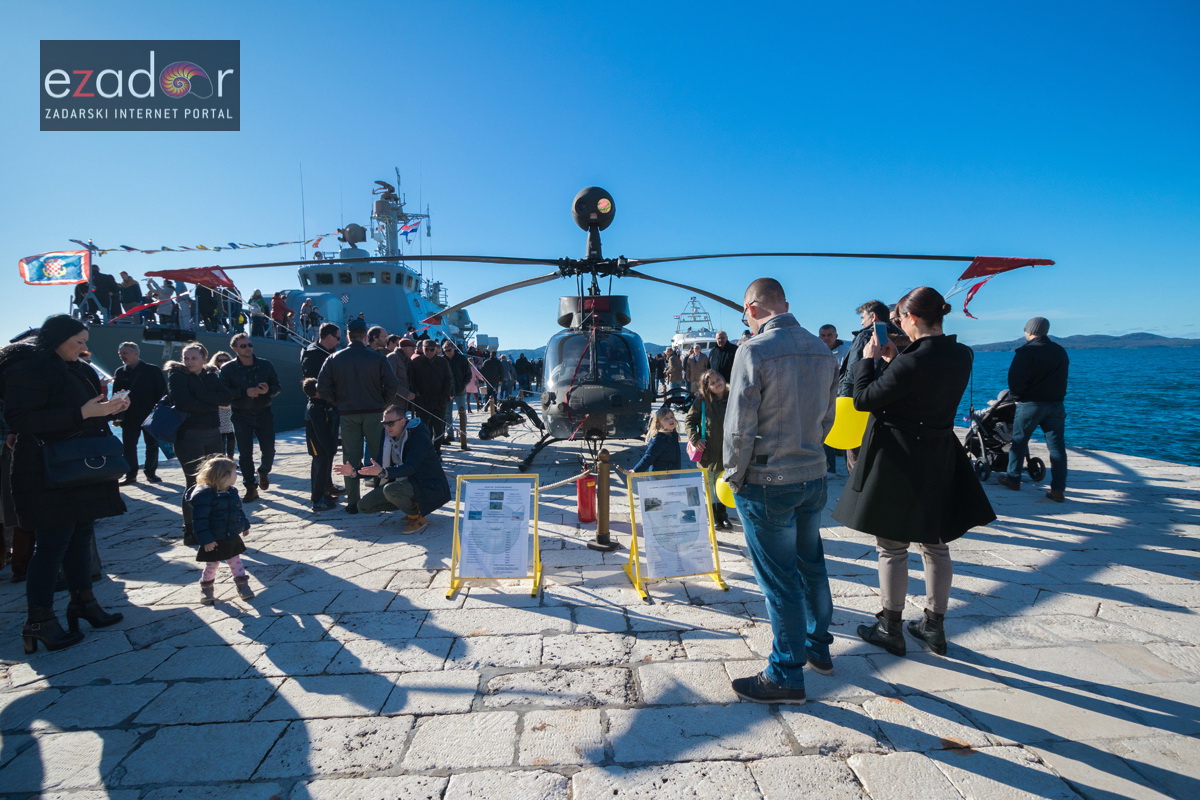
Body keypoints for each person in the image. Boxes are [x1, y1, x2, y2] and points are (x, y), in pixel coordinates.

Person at [833, 287, 997, 658]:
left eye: (899, 320)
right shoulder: (961, 354)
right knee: (935, 544)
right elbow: (922, 380)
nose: (897, 326)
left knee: (892, 546)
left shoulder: (910, 361)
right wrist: (896, 359)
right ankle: (934, 625)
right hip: (939, 452)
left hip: (899, 456)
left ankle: (890, 627)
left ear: (910, 318)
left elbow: (864, 399)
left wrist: (868, 360)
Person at [723, 278, 836, 704]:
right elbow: (827, 418)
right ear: (784, 304)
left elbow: (739, 426)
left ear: (751, 309)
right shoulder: (822, 348)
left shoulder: (753, 351)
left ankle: (786, 674)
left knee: (780, 580)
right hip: (814, 474)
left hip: (769, 481)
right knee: (812, 564)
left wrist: (735, 476)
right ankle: (818, 648)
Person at [3, 315, 130, 653]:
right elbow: (21, 420)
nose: (85, 347)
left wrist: (107, 409)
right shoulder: (29, 368)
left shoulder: (75, 369)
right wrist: (85, 414)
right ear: (58, 339)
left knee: (81, 536)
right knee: (51, 544)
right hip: (47, 470)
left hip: (78, 466)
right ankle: (39, 621)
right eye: (80, 341)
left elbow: (80, 410)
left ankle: (83, 603)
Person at [316, 317, 399, 513]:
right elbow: (393, 385)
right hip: (374, 413)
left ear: (347, 336)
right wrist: (383, 403)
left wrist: (337, 402)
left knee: (350, 458)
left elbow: (321, 387)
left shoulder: (334, 358)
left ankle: (353, 502)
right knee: (379, 457)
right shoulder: (378, 358)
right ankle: (381, 498)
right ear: (365, 336)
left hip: (348, 414)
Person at [337, 407, 451, 534]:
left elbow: (410, 467)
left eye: (390, 423)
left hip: (428, 485)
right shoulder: (386, 435)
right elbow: (378, 465)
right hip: (404, 483)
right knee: (364, 505)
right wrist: (353, 472)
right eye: (384, 423)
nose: (387, 427)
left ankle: (416, 517)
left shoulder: (419, 436)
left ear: (403, 421)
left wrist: (383, 472)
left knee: (390, 490)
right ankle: (412, 506)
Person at [166, 343, 234, 543]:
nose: (189, 362)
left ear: (203, 358)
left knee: (217, 479)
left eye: (194, 358)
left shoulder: (211, 374)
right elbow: (182, 403)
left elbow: (226, 397)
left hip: (213, 433)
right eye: (186, 358)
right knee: (193, 482)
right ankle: (191, 529)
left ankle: (214, 525)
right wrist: (212, 402)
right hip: (189, 435)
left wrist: (202, 397)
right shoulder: (177, 375)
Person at [997, 317, 1070, 501]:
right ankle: (1058, 489)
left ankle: (1013, 479)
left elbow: (1016, 380)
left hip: (1031, 404)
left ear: (1029, 331)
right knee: (1057, 448)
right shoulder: (1060, 351)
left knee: (1019, 442)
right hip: (1056, 404)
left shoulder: (1026, 351)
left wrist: (1015, 397)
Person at [839, 301, 899, 472]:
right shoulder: (904, 335)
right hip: (891, 407)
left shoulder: (866, 336)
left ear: (873, 317)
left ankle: (858, 496)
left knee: (857, 458)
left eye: (863, 317)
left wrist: (845, 405)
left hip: (862, 401)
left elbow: (852, 374)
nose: (861, 322)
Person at [220, 334, 281, 502]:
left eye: (249, 345)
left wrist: (267, 390)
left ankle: (263, 471)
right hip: (241, 414)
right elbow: (223, 393)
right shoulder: (227, 369)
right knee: (245, 453)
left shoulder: (265, 365)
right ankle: (250, 487)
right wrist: (244, 392)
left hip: (264, 412)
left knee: (269, 449)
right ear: (235, 349)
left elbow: (277, 387)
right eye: (243, 346)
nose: (248, 348)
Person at [187, 455, 255, 604]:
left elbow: (238, 510)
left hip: (230, 535)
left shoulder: (232, 492)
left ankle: (242, 585)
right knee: (212, 565)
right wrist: (207, 541)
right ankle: (206, 587)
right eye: (234, 472)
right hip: (214, 539)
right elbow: (200, 522)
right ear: (224, 476)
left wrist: (244, 525)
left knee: (236, 561)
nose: (236, 475)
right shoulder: (204, 497)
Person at [110, 342, 167, 485]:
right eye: (120, 354)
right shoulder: (120, 372)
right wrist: (116, 416)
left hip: (150, 414)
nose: (122, 356)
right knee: (129, 446)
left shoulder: (152, 370)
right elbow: (116, 396)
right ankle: (131, 475)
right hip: (128, 416)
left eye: (126, 353)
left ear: (136, 353)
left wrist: (160, 412)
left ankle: (150, 473)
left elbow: (163, 392)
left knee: (152, 444)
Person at [685, 369, 732, 529]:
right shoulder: (702, 401)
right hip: (709, 451)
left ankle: (723, 513)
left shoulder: (733, 396)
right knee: (711, 484)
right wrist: (695, 438)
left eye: (718, 379)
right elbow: (690, 420)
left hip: (728, 450)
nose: (717, 383)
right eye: (712, 383)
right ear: (707, 387)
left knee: (724, 481)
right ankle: (714, 515)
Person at [410, 340, 455, 447]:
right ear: (422, 349)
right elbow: (412, 381)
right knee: (424, 427)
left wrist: (445, 395)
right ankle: (426, 449)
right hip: (422, 401)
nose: (429, 351)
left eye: (432, 349)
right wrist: (416, 395)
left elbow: (448, 380)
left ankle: (437, 450)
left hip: (440, 400)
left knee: (439, 427)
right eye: (427, 349)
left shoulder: (443, 362)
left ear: (436, 350)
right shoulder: (416, 362)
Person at [303, 378, 338, 512]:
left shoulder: (320, 404)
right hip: (319, 447)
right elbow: (320, 432)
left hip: (323, 447)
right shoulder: (315, 408)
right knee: (320, 473)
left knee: (324, 470)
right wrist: (329, 448)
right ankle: (317, 500)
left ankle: (324, 494)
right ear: (316, 391)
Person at [818, 324, 848, 478]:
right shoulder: (816, 352)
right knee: (826, 433)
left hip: (841, 398)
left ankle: (850, 470)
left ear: (836, 336)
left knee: (844, 435)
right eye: (823, 335)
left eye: (829, 335)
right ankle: (829, 469)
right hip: (822, 399)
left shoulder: (845, 352)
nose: (826, 338)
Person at [626, 407, 682, 473]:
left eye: (672, 417)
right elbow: (649, 456)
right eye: (666, 419)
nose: (671, 420)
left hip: (672, 473)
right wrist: (636, 470)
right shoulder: (660, 438)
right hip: (660, 475)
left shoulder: (673, 435)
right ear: (658, 424)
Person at [442, 340, 473, 451]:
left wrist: (463, 384)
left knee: (462, 413)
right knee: (447, 414)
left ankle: (463, 434)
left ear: (453, 349)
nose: (447, 353)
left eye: (449, 350)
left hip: (460, 390)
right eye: (445, 351)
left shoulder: (461, 359)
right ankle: (450, 434)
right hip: (447, 391)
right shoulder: (442, 360)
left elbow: (468, 374)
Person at [208, 352, 237, 458]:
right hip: (218, 409)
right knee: (220, 437)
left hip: (231, 408)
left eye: (225, 360)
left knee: (231, 436)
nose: (223, 362)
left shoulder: (232, 373)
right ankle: (222, 458)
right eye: (220, 360)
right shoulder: (213, 374)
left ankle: (230, 458)